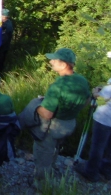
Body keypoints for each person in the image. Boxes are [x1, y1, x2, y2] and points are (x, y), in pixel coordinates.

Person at [24, 48, 90, 182]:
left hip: (54, 127)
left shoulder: (58, 86)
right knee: (56, 148)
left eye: (54, 60)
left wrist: (37, 106)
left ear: (64, 64)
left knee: (43, 153)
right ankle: (52, 169)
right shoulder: (81, 80)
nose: (51, 61)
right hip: (70, 123)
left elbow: (47, 114)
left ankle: (41, 184)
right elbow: (87, 100)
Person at [74, 48, 111, 182]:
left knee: (98, 146)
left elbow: (101, 96)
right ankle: (109, 171)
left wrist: (95, 92)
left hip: (106, 118)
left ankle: (91, 171)